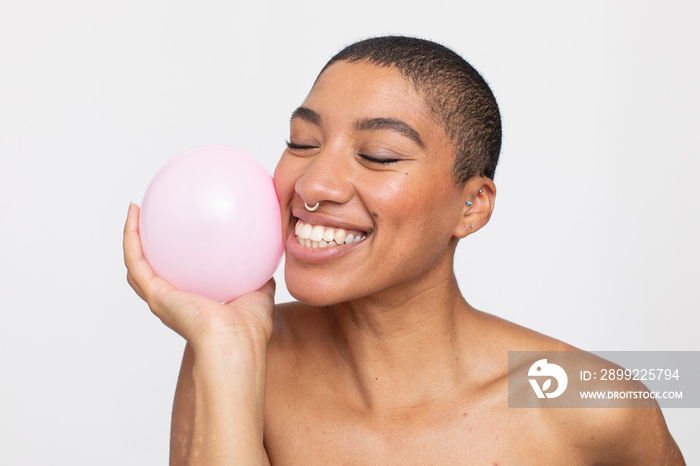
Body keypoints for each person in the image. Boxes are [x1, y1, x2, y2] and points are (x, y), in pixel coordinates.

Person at [124, 36, 684, 465]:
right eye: (302, 143)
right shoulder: (234, 356)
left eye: (380, 155)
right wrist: (224, 348)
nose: (314, 185)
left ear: (472, 206)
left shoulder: (593, 402)